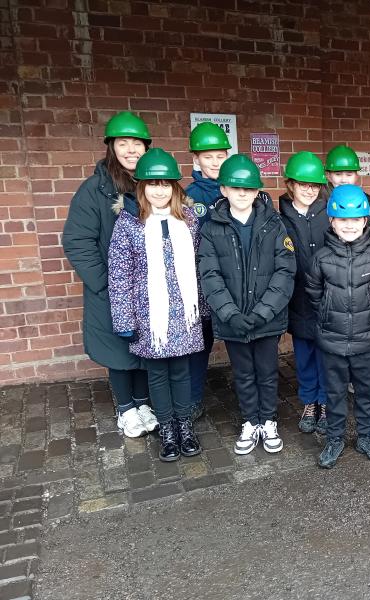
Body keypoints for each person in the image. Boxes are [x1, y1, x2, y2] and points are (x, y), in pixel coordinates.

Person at [63, 111, 157, 438]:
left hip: (146, 288)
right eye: (123, 143)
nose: (131, 150)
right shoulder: (94, 190)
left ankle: (143, 403)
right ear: (111, 147)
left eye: (137, 144)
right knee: (118, 351)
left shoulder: (152, 185)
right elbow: (77, 241)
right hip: (111, 288)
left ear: (146, 147)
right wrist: (105, 284)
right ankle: (126, 409)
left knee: (144, 347)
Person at [107, 148, 206, 462]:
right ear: (141, 186)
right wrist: (124, 320)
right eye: (152, 184)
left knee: (181, 372)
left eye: (165, 184)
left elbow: (199, 267)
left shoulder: (189, 220)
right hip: (149, 315)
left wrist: (203, 310)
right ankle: (167, 429)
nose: (159, 190)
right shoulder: (128, 223)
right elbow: (119, 274)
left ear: (174, 187)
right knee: (158, 374)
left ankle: (184, 425)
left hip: (184, 314)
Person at [199, 154, 296, 455]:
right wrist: (230, 314)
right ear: (223, 190)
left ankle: (268, 420)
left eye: (248, 188)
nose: (242, 193)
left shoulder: (274, 225)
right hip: (233, 320)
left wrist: (263, 312)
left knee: (267, 372)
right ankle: (250, 421)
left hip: (266, 319)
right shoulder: (211, 228)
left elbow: (285, 271)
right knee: (242, 374)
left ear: (257, 191)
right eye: (235, 187)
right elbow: (210, 275)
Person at [306, 185, 370, 469]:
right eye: (343, 220)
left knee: (366, 392)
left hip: (366, 341)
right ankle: (334, 439)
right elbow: (314, 293)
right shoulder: (321, 259)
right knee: (334, 393)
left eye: (356, 219)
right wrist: (328, 313)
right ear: (332, 221)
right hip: (331, 341)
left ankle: (366, 437)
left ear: (365, 221)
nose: (349, 225)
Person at [184, 121, 232, 422]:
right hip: (201, 283)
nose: (215, 162)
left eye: (220, 156)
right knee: (199, 342)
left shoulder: (237, 188)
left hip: (234, 281)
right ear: (196, 159)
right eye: (208, 156)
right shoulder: (189, 196)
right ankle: (191, 399)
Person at [279, 151, 329, 434]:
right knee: (305, 356)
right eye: (302, 184)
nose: (309, 190)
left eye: (314, 185)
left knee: (326, 355)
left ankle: (325, 401)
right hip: (297, 299)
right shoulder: (279, 219)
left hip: (326, 299)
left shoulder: (329, 215)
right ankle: (310, 402)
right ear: (291, 185)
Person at [324, 145, 370, 219]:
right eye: (338, 174)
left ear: (356, 177)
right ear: (328, 176)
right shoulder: (319, 201)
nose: (344, 180)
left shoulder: (364, 200)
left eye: (349, 175)